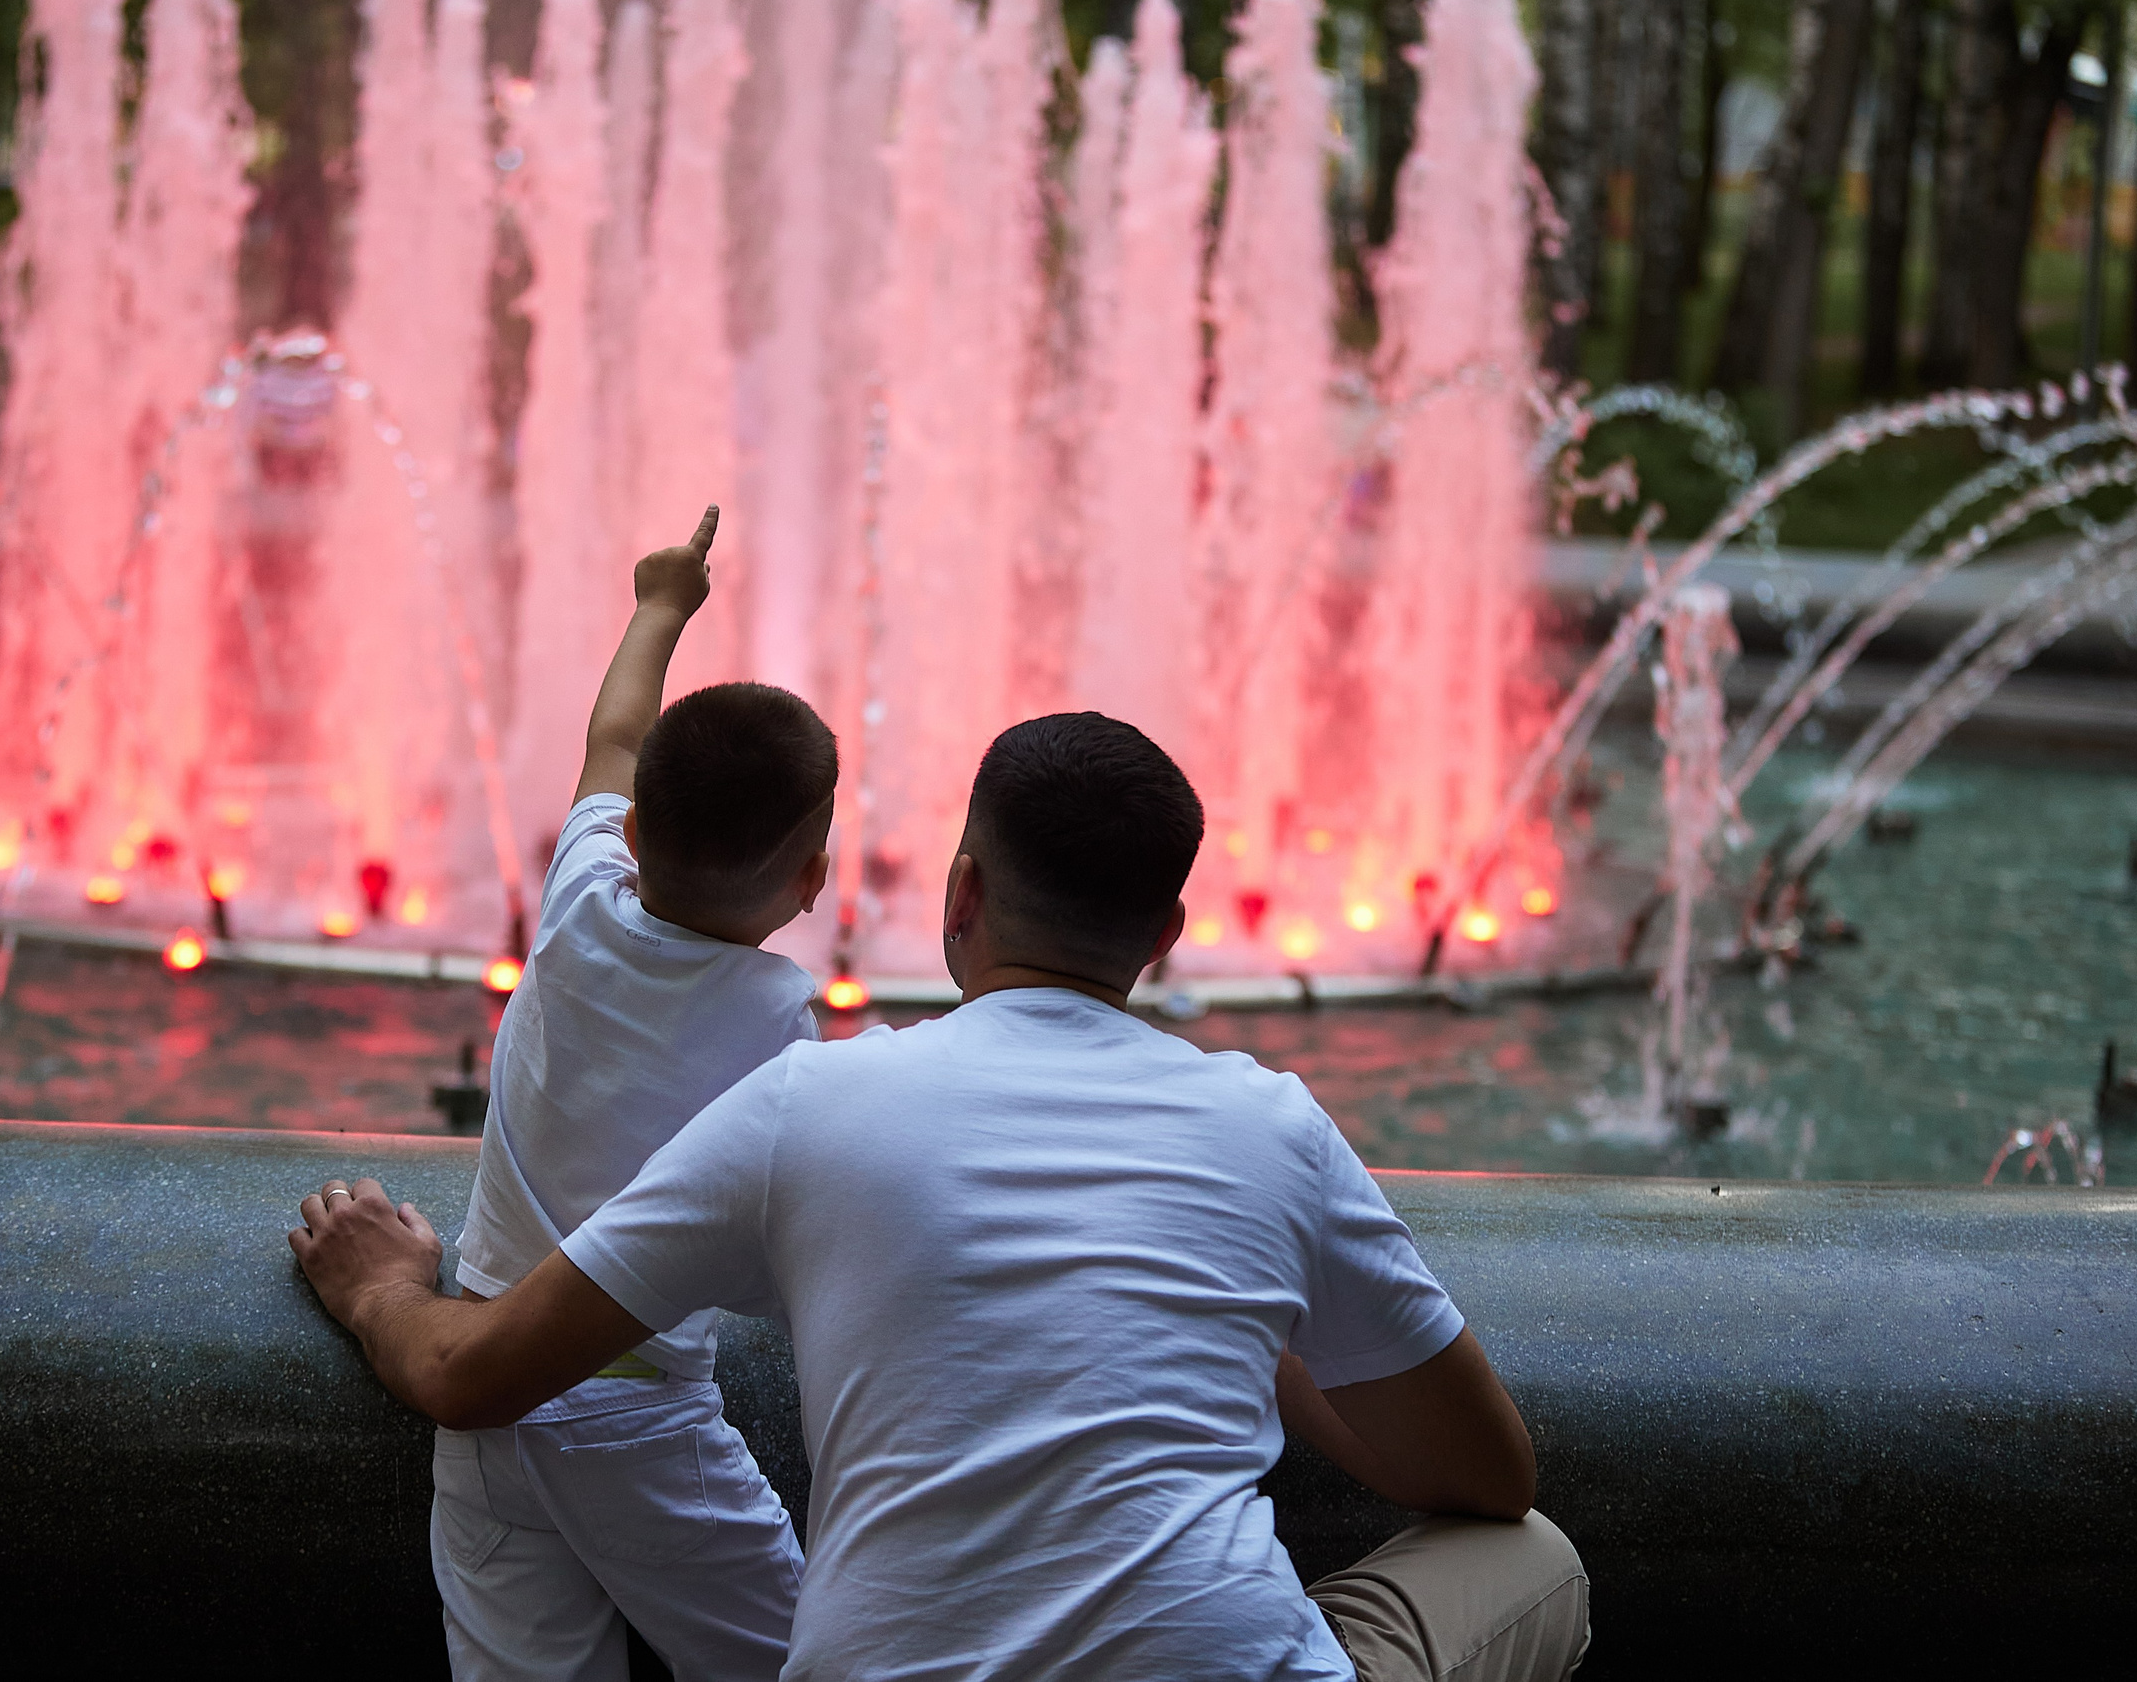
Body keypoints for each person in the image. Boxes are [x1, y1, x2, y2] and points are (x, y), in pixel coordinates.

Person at [293, 713, 1590, 1681]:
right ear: (1165, 936)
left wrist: (378, 1284)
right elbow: (1485, 1476)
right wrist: (1254, 1313)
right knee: (1535, 1557)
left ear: (963, 894)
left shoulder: (814, 1100)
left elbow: (477, 1371)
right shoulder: (1275, 1129)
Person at [420, 503, 834, 1679]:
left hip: (487, 1391)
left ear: (638, 830)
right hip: (636, 1416)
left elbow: (613, 739)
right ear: (808, 881)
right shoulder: (774, 1019)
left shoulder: (579, 900)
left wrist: (660, 603)